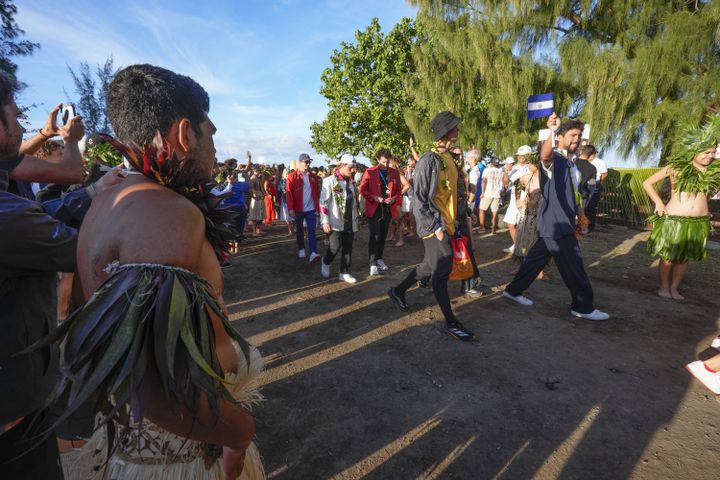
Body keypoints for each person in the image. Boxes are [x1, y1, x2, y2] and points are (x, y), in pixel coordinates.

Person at [42, 64, 264, 479]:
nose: (215, 150)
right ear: (184, 134)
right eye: (211, 134)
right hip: (183, 453)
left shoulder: (108, 202)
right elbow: (147, 378)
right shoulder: (164, 211)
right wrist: (240, 432)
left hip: (143, 443)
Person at [0, 72, 125, 479]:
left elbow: (38, 220)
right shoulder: (8, 215)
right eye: (15, 117)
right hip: (12, 419)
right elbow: (84, 250)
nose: (24, 128)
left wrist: (92, 192)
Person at [503, 112, 609, 321]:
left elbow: (573, 194)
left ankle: (513, 290)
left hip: (560, 222)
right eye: (572, 135)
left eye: (578, 136)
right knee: (574, 265)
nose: (576, 139)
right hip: (556, 223)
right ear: (559, 138)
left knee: (534, 261)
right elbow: (544, 156)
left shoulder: (571, 164)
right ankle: (583, 306)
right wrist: (551, 131)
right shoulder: (556, 160)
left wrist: (581, 216)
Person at [387, 111, 475, 341]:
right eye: (455, 127)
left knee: (428, 266)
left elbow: (455, 192)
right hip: (435, 227)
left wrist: (467, 213)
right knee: (441, 271)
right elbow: (420, 198)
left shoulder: (450, 158)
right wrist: (435, 226)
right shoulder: (428, 160)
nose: (458, 130)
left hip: (450, 224)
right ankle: (451, 321)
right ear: (446, 131)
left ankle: (396, 291)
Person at [642, 116, 720, 300]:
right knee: (668, 256)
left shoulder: (714, 172)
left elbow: (709, 192)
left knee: (684, 258)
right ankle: (663, 287)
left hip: (698, 221)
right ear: (693, 149)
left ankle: (674, 288)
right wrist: (659, 203)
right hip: (674, 218)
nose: (709, 156)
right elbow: (647, 183)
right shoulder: (676, 167)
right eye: (705, 152)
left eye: (712, 152)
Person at [360, 148, 403, 276]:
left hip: (388, 208)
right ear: (378, 160)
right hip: (374, 208)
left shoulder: (394, 172)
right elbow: (362, 190)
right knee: (375, 235)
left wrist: (393, 198)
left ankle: (379, 259)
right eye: (383, 162)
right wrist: (374, 197)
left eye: (387, 162)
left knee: (383, 235)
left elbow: (399, 191)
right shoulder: (370, 171)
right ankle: (372, 263)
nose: (385, 165)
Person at [319, 153, 359, 283]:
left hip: (349, 220)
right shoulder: (329, 181)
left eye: (354, 167)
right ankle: (326, 262)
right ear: (342, 166)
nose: (353, 170)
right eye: (350, 167)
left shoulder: (352, 182)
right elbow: (323, 203)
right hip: (335, 220)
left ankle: (344, 272)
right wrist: (325, 221)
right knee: (335, 246)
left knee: (348, 246)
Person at [287, 153, 321, 262]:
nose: (308, 164)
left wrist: (318, 207)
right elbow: (289, 193)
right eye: (306, 162)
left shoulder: (313, 176)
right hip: (298, 209)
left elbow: (316, 192)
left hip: (311, 209)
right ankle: (301, 248)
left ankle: (313, 252)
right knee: (300, 230)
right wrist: (290, 208)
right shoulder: (292, 176)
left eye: (309, 162)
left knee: (312, 230)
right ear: (300, 162)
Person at [502, 145, 533, 252]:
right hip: (513, 200)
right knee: (510, 224)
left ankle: (525, 248)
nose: (520, 157)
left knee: (524, 225)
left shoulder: (532, 168)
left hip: (525, 200)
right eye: (519, 155)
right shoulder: (515, 168)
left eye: (522, 156)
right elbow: (506, 183)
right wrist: (506, 172)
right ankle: (517, 245)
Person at [582, 144, 608, 232]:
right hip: (584, 184)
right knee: (583, 206)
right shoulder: (584, 161)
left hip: (595, 184)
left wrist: (598, 183)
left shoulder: (600, 162)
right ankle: (583, 224)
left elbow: (604, 174)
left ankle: (590, 225)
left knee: (591, 206)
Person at [478, 156, 503, 234]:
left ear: (491, 163)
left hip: (488, 193)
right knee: (494, 212)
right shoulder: (500, 171)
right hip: (497, 193)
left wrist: (482, 192)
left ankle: (482, 228)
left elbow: (484, 181)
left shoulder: (487, 170)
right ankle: (493, 229)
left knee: (481, 210)